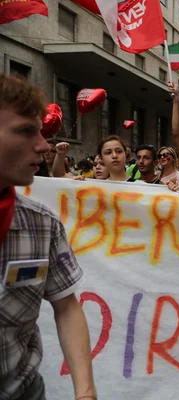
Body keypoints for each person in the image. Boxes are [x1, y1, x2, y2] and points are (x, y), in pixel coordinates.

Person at [0, 74, 96, 400]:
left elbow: (66, 306)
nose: (43, 145)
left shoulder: (43, 224)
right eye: (26, 131)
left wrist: (85, 393)